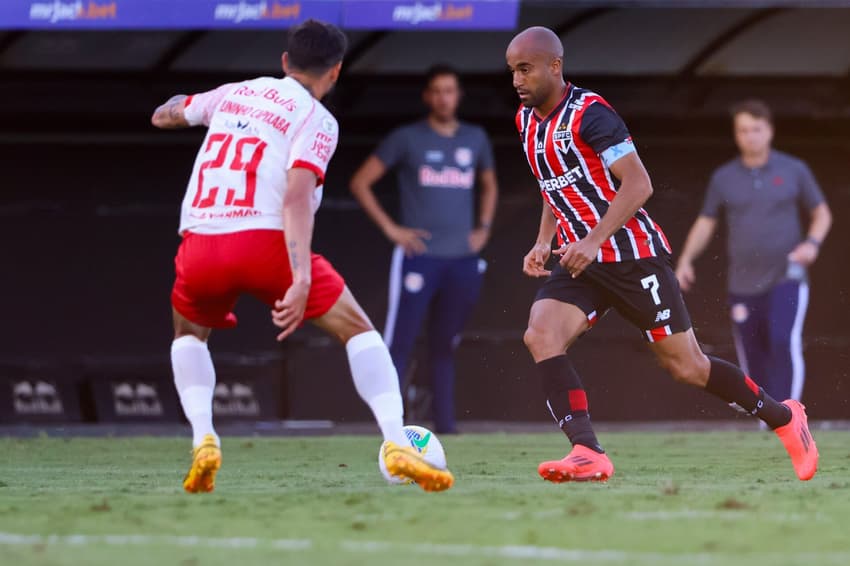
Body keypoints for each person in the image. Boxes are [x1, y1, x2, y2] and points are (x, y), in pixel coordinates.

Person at [150, 19, 453, 493]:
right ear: (335, 73)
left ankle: (204, 438)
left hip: (201, 241)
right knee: (358, 330)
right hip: (264, 240)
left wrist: (176, 109)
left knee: (189, 335)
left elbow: (167, 113)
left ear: (285, 61)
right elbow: (295, 198)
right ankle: (396, 441)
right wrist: (300, 277)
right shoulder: (317, 119)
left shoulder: (235, 93)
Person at [505, 26, 818, 483]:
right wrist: (542, 240)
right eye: (513, 70)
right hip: (581, 261)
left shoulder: (590, 114)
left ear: (555, 66)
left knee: (686, 366)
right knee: (541, 335)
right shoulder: (525, 119)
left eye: (525, 68)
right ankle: (587, 451)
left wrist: (593, 239)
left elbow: (639, 183)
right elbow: (553, 185)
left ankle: (785, 418)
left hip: (633, 257)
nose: (517, 79)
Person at [349, 65, 499, 434]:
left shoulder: (475, 138)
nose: (443, 98)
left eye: (450, 90)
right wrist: (392, 229)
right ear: (427, 96)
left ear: (458, 95)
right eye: (436, 91)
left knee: (444, 345)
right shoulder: (407, 138)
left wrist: (483, 229)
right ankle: (391, 428)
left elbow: (490, 185)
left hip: (461, 259)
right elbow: (361, 182)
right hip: (419, 257)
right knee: (399, 343)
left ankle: (445, 427)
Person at [676, 100, 831, 405]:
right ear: (736, 135)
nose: (750, 136)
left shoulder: (793, 169)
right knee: (752, 351)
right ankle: (764, 419)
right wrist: (686, 260)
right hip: (742, 282)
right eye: (743, 130)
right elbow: (706, 221)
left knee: (782, 341)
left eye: (756, 129)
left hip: (787, 274)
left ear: (769, 131)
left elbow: (822, 213)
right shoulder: (724, 177)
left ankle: (789, 415)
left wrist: (811, 244)